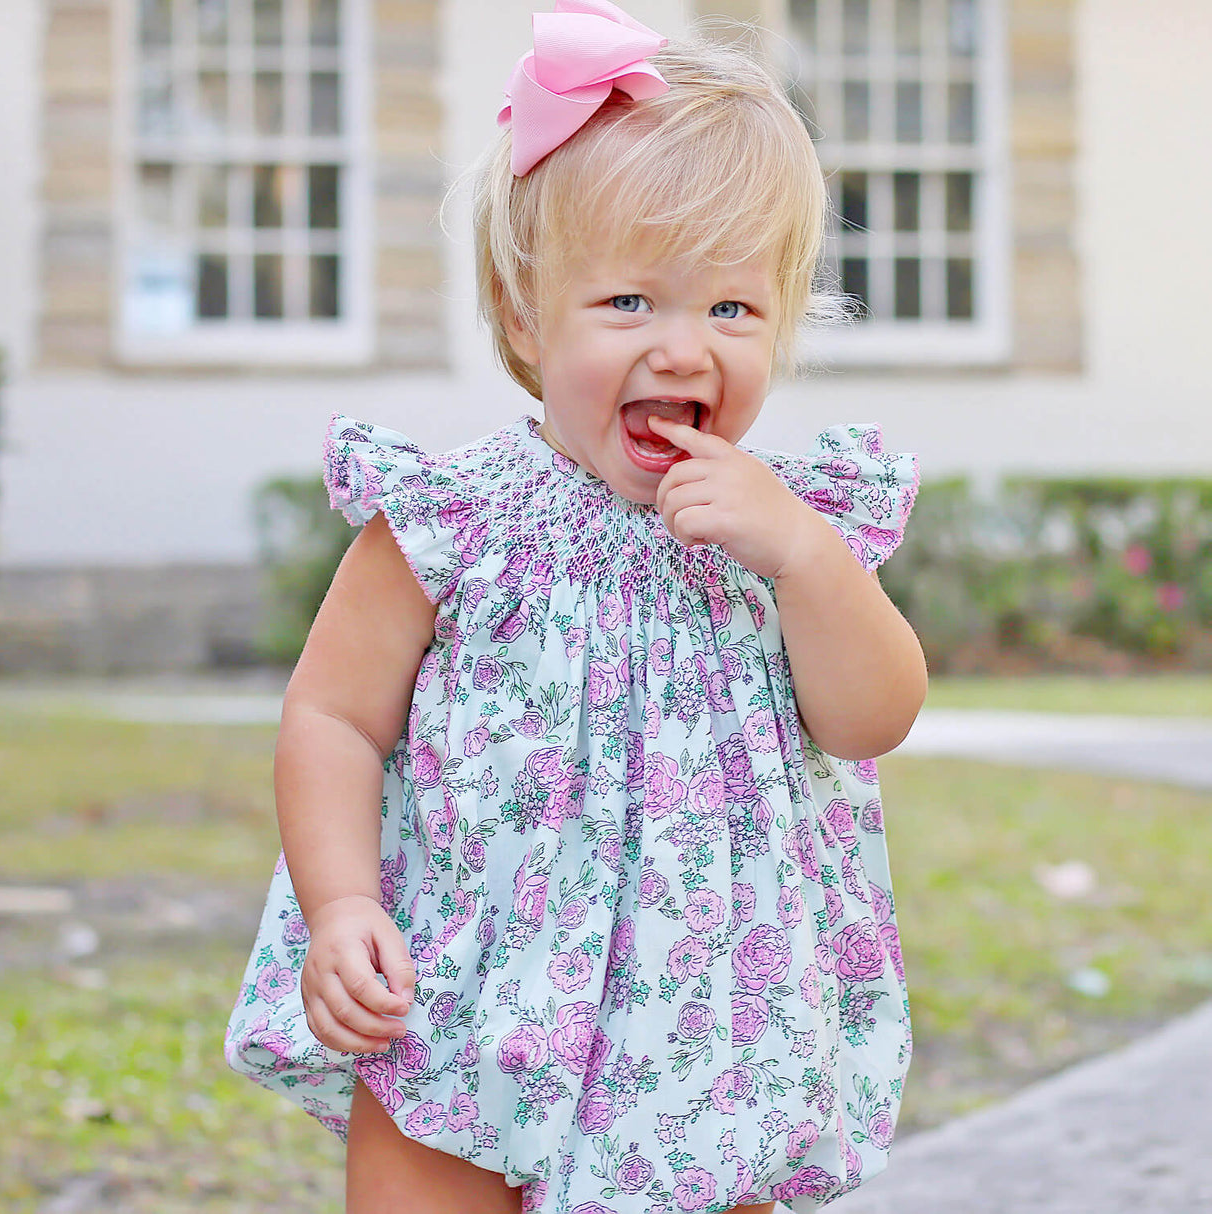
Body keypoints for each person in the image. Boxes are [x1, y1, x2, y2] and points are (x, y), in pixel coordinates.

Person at [225, 3, 927, 1211]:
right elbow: (334, 716)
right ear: (521, 314)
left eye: (730, 309)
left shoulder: (786, 528)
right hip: (457, 990)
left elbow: (871, 717)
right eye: (627, 304)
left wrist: (806, 558)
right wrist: (342, 902)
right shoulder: (451, 522)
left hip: (700, 1026)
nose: (681, 348)